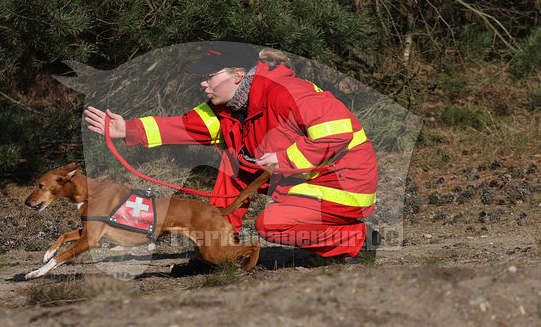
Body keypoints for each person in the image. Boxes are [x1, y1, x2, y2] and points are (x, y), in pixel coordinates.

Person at [84, 40, 379, 262]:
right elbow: (185, 127)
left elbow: (338, 133)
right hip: (303, 178)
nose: (203, 83)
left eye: (210, 76)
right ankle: (220, 250)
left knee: (272, 224)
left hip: (346, 183)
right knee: (233, 163)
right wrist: (127, 130)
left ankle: (357, 239)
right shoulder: (229, 105)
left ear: (238, 75)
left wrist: (284, 159)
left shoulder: (287, 91)